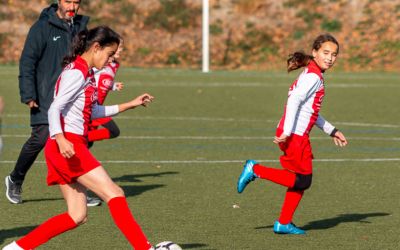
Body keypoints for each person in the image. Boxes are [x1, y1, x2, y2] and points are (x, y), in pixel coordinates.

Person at [2, 26, 155, 250]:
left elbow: (92, 112)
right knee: (115, 193)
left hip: (65, 146)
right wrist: (61, 138)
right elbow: (54, 109)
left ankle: (15, 248)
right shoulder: (77, 73)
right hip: (68, 146)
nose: (111, 60)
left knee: (77, 215)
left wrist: (130, 104)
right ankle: (145, 248)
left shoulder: (86, 73)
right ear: (96, 47)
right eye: (110, 54)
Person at [237, 34, 348, 235]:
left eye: (334, 54)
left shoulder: (313, 73)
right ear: (314, 52)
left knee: (300, 180)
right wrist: (287, 132)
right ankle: (255, 169)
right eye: (326, 53)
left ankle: (283, 223)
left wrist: (332, 130)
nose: (330, 58)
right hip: (294, 135)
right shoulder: (313, 76)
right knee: (303, 180)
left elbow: (310, 112)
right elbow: (295, 100)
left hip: (295, 134)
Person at [4, 0, 101, 206]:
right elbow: (27, 61)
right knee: (41, 138)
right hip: (45, 95)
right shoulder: (41, 27)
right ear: (58, 1)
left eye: (76, 2)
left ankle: (79, 189)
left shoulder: (81, 26)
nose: (72, 7)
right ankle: (15, 179)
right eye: (68, 1)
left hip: (72, 95)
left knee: (75, 140)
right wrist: (28, 94)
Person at [87, 38, 125, 148]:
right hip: (90, 106)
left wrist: (113, 86)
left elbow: (103, 81)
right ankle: (81, 138)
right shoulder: (99, 62)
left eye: (121, 47)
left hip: (98, 109)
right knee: (114, 131)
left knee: (88, 144)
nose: (120, 50)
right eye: (118, 47)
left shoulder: (115, 65)